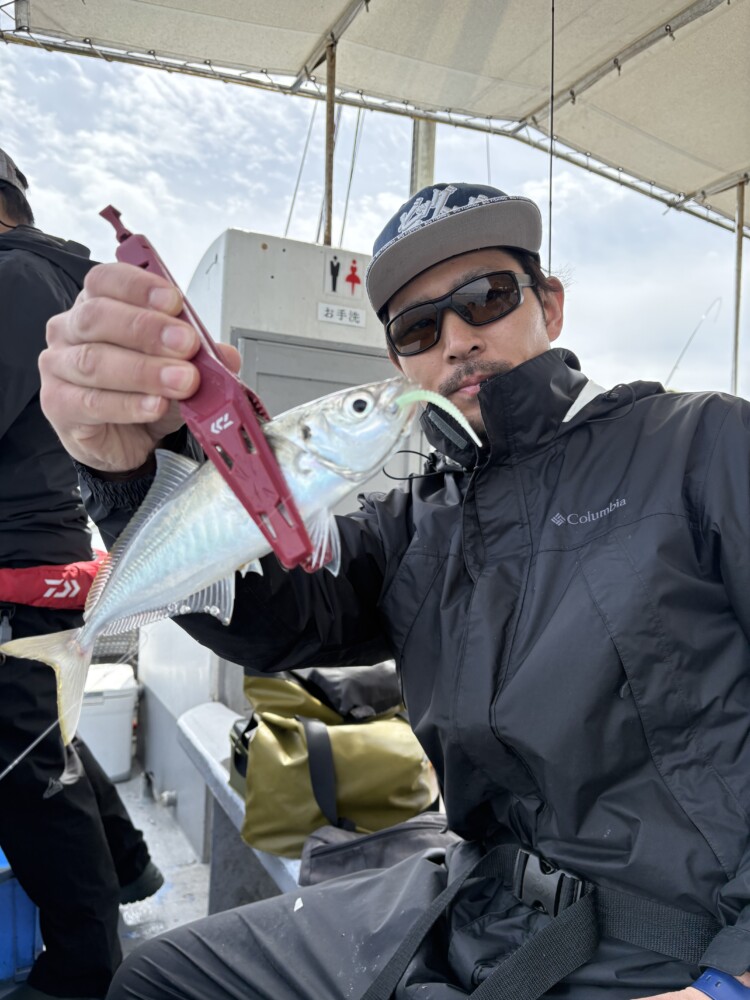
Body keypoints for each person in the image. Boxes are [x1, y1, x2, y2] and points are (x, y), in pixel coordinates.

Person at [36, 180, 750, 1000]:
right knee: (160, 979)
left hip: (682, 939)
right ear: (399, 361)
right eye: (418, 326)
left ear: (550, 305)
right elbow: (278, 612)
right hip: (478, 902)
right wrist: (124, 475)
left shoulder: (705, 443)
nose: (457, 339)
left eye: (487, 297)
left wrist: (732, 981)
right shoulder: (414, 520)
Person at [0, 149, 164, 1000]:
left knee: (24, 769)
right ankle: (129, 865)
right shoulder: (51, 277)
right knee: (44, 739)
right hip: (43, 549)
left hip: (16, 560)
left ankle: (85, 969)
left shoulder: (13, 277)